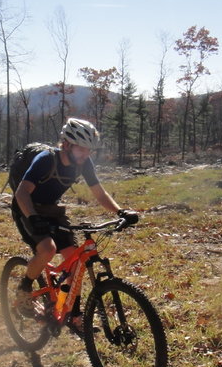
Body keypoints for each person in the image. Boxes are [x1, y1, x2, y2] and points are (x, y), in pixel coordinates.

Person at [11, 117, 138, 329]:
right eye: (82, 149)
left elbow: (99, 193)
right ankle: (24, 289)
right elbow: (22, 192)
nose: (86, 155)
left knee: (74, 261)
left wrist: (120, 211)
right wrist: (33, 218)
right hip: (26, 207)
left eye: (89, 150)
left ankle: (71, 313)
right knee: (47, 249)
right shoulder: (45, 159)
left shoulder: (83, 163)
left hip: (51, 209)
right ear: (67, 145)